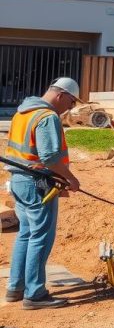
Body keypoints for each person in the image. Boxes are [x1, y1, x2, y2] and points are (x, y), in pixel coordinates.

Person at [5, 78, 82, 310]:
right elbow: (49, 157)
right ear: (61, 95)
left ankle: (15, 287)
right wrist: (71, 178)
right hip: (37, 184)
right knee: (40, 237)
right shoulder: (46, 117)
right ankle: (35, 294)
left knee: (26, 234)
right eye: (71, 101)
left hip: (18, 181)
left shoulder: (23, 112)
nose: (70, 107)